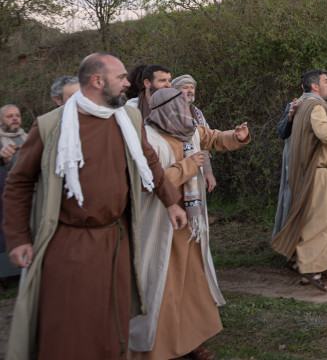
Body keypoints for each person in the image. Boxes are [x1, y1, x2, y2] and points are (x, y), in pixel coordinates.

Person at [2, 52, 188, 360]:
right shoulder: (50, 126)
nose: (127, 84)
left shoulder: (128, 119)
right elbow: (19, 183)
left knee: (113, 322)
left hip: (118, 237)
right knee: (71, 325)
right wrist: (19, 237)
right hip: (70, 243)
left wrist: (171, 202)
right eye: (121, 78)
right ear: (97, 81)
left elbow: (149, 161)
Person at [129, 88, 250, 360]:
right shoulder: (149, 138)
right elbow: (148, 182)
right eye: (181, 106)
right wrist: (188, 166)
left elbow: (214, 138)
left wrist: (236, 136)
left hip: (191, 225)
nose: (187, 111)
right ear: (169, 110)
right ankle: (159, 347)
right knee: (164, 286)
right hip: (163, 225)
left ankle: (193, 341)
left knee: (192, 284)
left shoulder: (191, 131)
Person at [270, 70, 327, 291]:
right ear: (315, 86)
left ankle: (314, 267)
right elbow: (324, 133)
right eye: (326, 81)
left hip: (307, 170)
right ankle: (310, 268)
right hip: (317, 171)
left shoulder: (302, 105)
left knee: (317, 221)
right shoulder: (316, 106)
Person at [172, 74, 217, 193]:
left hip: (197, 170)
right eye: (185, 87)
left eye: (192, 87)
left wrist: (208, 172)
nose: (190, 91)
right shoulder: (168, 112)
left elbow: (205, 143)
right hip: (176, 169)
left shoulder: (197, 113)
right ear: (175, 91)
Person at [0, 104, 27, 285]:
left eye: (17, 115)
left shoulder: (28, 137)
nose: (15, 119)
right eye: (9, 116)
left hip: (27, 194)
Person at [273, 95, 301, 238]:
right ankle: (287, 240)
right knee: (290, 198)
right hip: (293, 163)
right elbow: (282, 132)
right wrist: (290, 116)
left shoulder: (323, 107)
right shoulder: (293, 105)